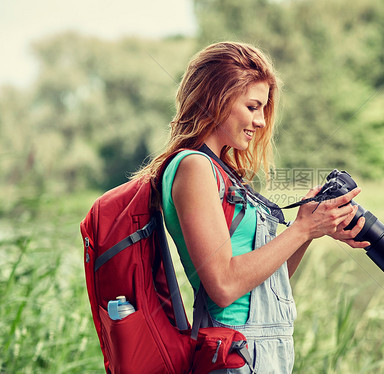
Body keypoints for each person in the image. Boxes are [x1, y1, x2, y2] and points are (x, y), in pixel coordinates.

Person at [137, 41, 369, 373]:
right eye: (252, 106)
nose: (260, 121)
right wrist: (302, 229)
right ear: (215, 99)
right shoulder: (194, 168)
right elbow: (223, 285)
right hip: (238, 352)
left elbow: (269, 280)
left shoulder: (222, 171)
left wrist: (311, 229)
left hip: (263, 350)